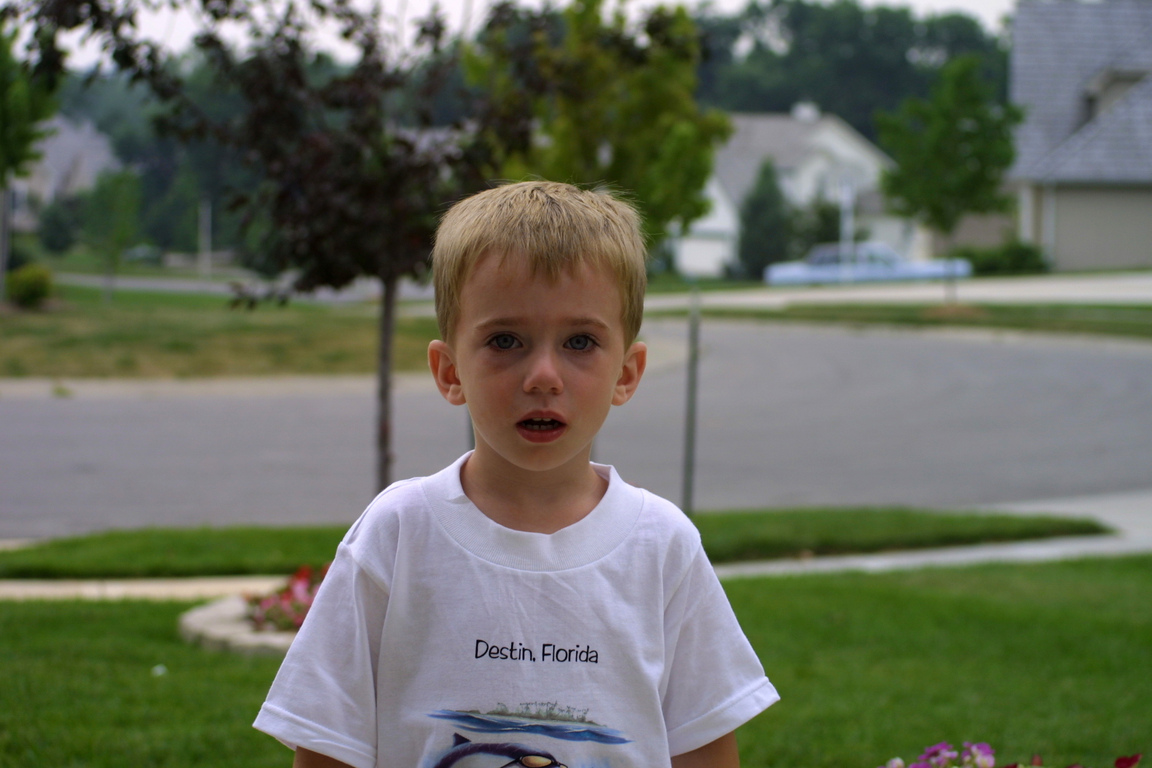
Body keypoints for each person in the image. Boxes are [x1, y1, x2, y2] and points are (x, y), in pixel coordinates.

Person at [254, 181, 779, 768]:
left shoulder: (663, 547)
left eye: (580, 341)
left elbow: (705, 749)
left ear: (627, 373)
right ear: (449, 370)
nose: (544, 376)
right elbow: (327, 746)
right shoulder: (397, 534)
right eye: (505, 341)